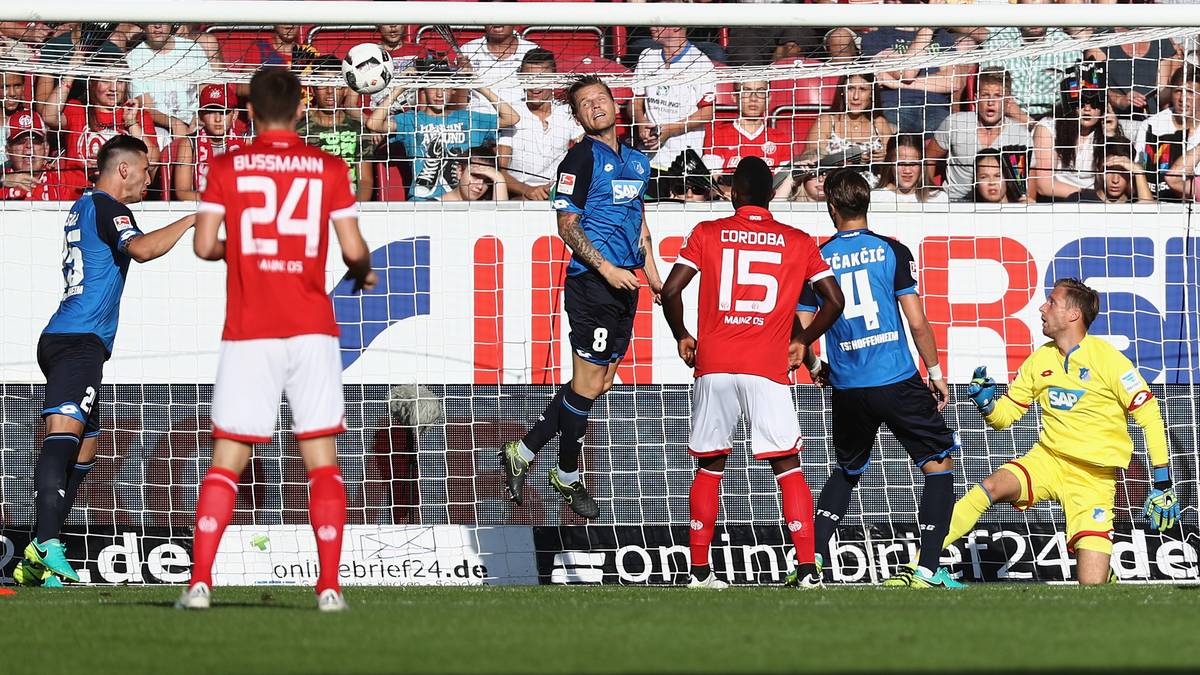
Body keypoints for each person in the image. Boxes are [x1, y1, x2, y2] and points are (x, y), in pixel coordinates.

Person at [179, 68, 377, 612]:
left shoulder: (227, 165)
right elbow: (353, 248)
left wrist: (241, 251)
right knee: (322, 462)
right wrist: (362, 272)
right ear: (298, 111)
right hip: (311, 329)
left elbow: (202, 246)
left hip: (250, 330)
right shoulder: (329, 167)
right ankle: (330, 587)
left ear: (249, 113)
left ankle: (199, 583)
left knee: (227, 460)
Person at [11, 135, 195, 588]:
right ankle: (47, 545)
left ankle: (37, 552)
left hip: (71, 339)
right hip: (78, 342)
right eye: (147, 169)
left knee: (87, 447)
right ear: (125, 170)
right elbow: (143, 250)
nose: (151, 178)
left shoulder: (84, 205)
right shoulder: (111, 208)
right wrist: (192, 218)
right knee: (63, 435)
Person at [660, 156, 844, 589]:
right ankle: (806, 570)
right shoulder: (798, 240)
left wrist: (682, 335)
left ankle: (700, 572)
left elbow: (670, 290)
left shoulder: (707, 233)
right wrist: (802, 341)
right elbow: (833, 301)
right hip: (768, 364)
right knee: (788, 465)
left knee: (709, 465)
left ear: (735, 194)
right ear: (769, 196)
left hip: (715, 361)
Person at [499, 75, 664, 519]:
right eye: (584, 104)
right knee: (589, 384)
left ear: (615, 103)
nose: (595, 107)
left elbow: (639, 225)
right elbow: (566, 226)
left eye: (600, 98)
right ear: (577, 116)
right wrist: (606, 269)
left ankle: (524, 449)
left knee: (600, 383)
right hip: (592, 283)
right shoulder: (578, 159)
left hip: (626, 285)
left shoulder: (637, 161)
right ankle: (567, 474)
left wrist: (655, 278)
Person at [942, 279, 1179, 585]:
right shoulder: (1040, 359)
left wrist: (1162, 480)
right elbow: (1005, 418)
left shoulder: (1108, 359)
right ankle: (923, 566)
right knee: (990, 486)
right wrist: (987, 405)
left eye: (1051, 302)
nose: (1042, 307)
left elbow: (1150, 415)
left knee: (1091, 590)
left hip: (1094, 479)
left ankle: (1103, 573)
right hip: (1048, 460)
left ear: (1072, 316)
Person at [796, 168, 963, 589]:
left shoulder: (815, 258)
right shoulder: (892, 250)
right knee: (939, 463)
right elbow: (918, 322)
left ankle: (810, 562)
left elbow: (802, 327)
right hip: (897, 378)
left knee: (847, 470)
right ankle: (926, 570)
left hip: (849, 385)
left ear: (831, 208)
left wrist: (816, 369)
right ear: (864, 204)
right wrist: (936, 372)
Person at [366, 60, 518, 201]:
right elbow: (373, 123)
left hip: (464, 201)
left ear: (453, 90)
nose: (439, 94)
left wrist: (478, 85)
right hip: (423, 202)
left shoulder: (470, 118)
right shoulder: (411, 120)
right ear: (423, 88)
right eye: (433, 87)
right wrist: (400, 88)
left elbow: (512, 118)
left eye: (445, 87)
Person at [926, 67, 1031, 201]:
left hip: (1000, 206)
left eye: (998, 96)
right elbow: (928, 159)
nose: (990, 102)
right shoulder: (955, 123)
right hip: (954, 203)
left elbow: (1029, 185)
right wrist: (931, 194)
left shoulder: (1021, 135)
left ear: (1008, 101)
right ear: (976, 99)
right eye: (985, 95)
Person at [498, 49, 583, 200]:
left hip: (560, 194)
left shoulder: (566, 112)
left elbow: (589, 149)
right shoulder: (511, 114)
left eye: (541, 78)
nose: (534, 86)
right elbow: (500, 171)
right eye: (529, 78)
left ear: (554, 79)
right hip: (519, 194)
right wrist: (527, 190)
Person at [632, 26, 716, 173]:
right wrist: (640, 122)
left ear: (676, 26)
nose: (652, 27)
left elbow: (708, 112)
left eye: (659, 23)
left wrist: (669, 130)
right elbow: (635, 100)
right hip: (647, 159)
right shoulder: (647, 56)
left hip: (682, 161)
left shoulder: (701, 63)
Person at [45, 76, 160, 174]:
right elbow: (48, 117)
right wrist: (73, 69)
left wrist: (131, 123)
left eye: (119, 81)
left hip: (121, 193)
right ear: (92, 83)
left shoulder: (138, 115)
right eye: (105, 80)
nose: (113, 88)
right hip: (77, 192)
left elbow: (152, 163)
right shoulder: (77, 109)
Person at [979, 17, 1085, 123]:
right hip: (1008, 118)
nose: (1035, 19)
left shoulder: (1066, 45)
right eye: (1029, 14)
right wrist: (1030, 124)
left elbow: (1072, 97)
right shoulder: (998, 41)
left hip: (1056, 119)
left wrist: (1045, 126)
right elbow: (995, 94)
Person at [126, 23, 216, 141]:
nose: (157, 26)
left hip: (196, 123)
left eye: (163, 20)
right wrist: (174, 123)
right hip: (158, 128)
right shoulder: (134, 58)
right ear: (143, 24)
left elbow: (207, 92)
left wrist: (199, 117)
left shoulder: (192, 49)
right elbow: (146, 108)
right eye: (152, 21)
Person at [301, 59, 374, 201]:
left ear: (346, 89)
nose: (330, 91)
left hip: (350, 203)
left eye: (336, 85)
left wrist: (355, 210)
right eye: (322, 85)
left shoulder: (358, 128)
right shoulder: (299, 129)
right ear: (312, 90)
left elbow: (365, 181)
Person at [702, 80, 798, 181]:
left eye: (761, 92)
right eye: (746, 91)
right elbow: (712, 182)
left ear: (769, 98)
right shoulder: (717, 134)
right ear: (734, 97)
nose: (753, 98)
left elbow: (784, 183)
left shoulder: (781, 139)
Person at [804, 74, 893, 175]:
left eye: (863, 89)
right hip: (835, 186)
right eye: (850, 88)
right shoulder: (827, 121)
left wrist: (886, 158)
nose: (856, 96)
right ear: (842, 91)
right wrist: (852, 157)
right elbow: (811, 160)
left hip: (874, 188)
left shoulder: (879, 123)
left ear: (871, 93)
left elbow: (895, 160)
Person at [1134, 66, 1200, 200]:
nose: (1183, 99)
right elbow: (1138, 169)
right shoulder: (1151, 126)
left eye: (1190, 92)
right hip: (1156, 202)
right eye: (1178, 91)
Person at [173, 84, 248, 202]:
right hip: (200, 211)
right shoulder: (188, 143)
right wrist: (220, 200)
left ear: (235, 114)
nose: (218, 119)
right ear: (201, 115)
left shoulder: (246, 142)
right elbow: (182, 193)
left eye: (224, 112)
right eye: (211, 111)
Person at [1030, 90, 1106, 201]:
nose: (1087, 109)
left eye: (1094, 103)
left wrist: (1111, 135)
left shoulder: (1106, 130)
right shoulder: (1049, 126)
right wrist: (1087, 196)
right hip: (1058, 201)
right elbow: (1044, 185)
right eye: (1081, 103)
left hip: (1097, 202)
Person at [0, 111, 89, 201]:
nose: (29, 145)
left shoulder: (62, 180)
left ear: (46, 149)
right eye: (20, 141)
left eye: (35, 140)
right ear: (8, 150)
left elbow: (98, 190)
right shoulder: (2, 181)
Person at [1071, 141, 1155, 204]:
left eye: (1122, 171)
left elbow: (1150, 218)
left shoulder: (1137, 200)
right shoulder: (1079, 200)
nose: (1115, 180)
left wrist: (1139, 171)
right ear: (1098, 169)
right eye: (1110, 171)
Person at [874, 134, 947, 204]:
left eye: (913, 164)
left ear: (922, 165)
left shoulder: (939, 199)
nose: (907, 171)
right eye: (901, 164)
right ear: (890, 163)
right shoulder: (875, 198)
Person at [438, 150, 508, 202]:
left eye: (487, 181)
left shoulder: (484, 210)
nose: (480, 186)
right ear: (459, 172)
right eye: (475, 176)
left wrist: (499, 178)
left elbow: (501, 219)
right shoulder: (431, 207)